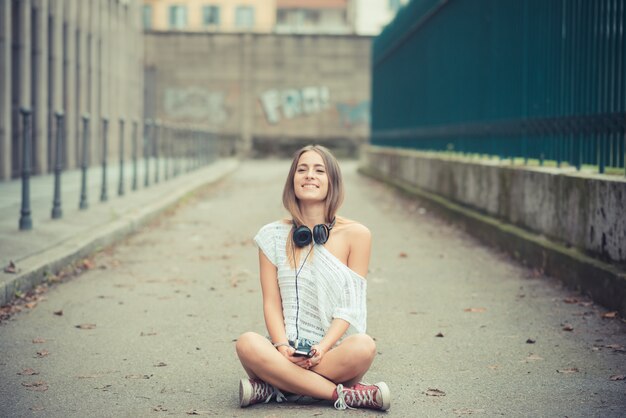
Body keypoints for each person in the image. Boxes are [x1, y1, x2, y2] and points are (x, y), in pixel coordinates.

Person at [235, 145, 390, 411]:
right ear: (292, 180)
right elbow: (271, 302)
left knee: (364, 346)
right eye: (302, 169)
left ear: (332, 182)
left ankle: (277, 387)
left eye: (319, 170)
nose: (309, 175)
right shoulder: (270, 235)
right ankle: (343, 395)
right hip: (284, 352)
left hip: (331, 354)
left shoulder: (357, 235)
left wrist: (321, 348)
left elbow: (349, 308)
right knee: (247, 343)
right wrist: (282, 348)